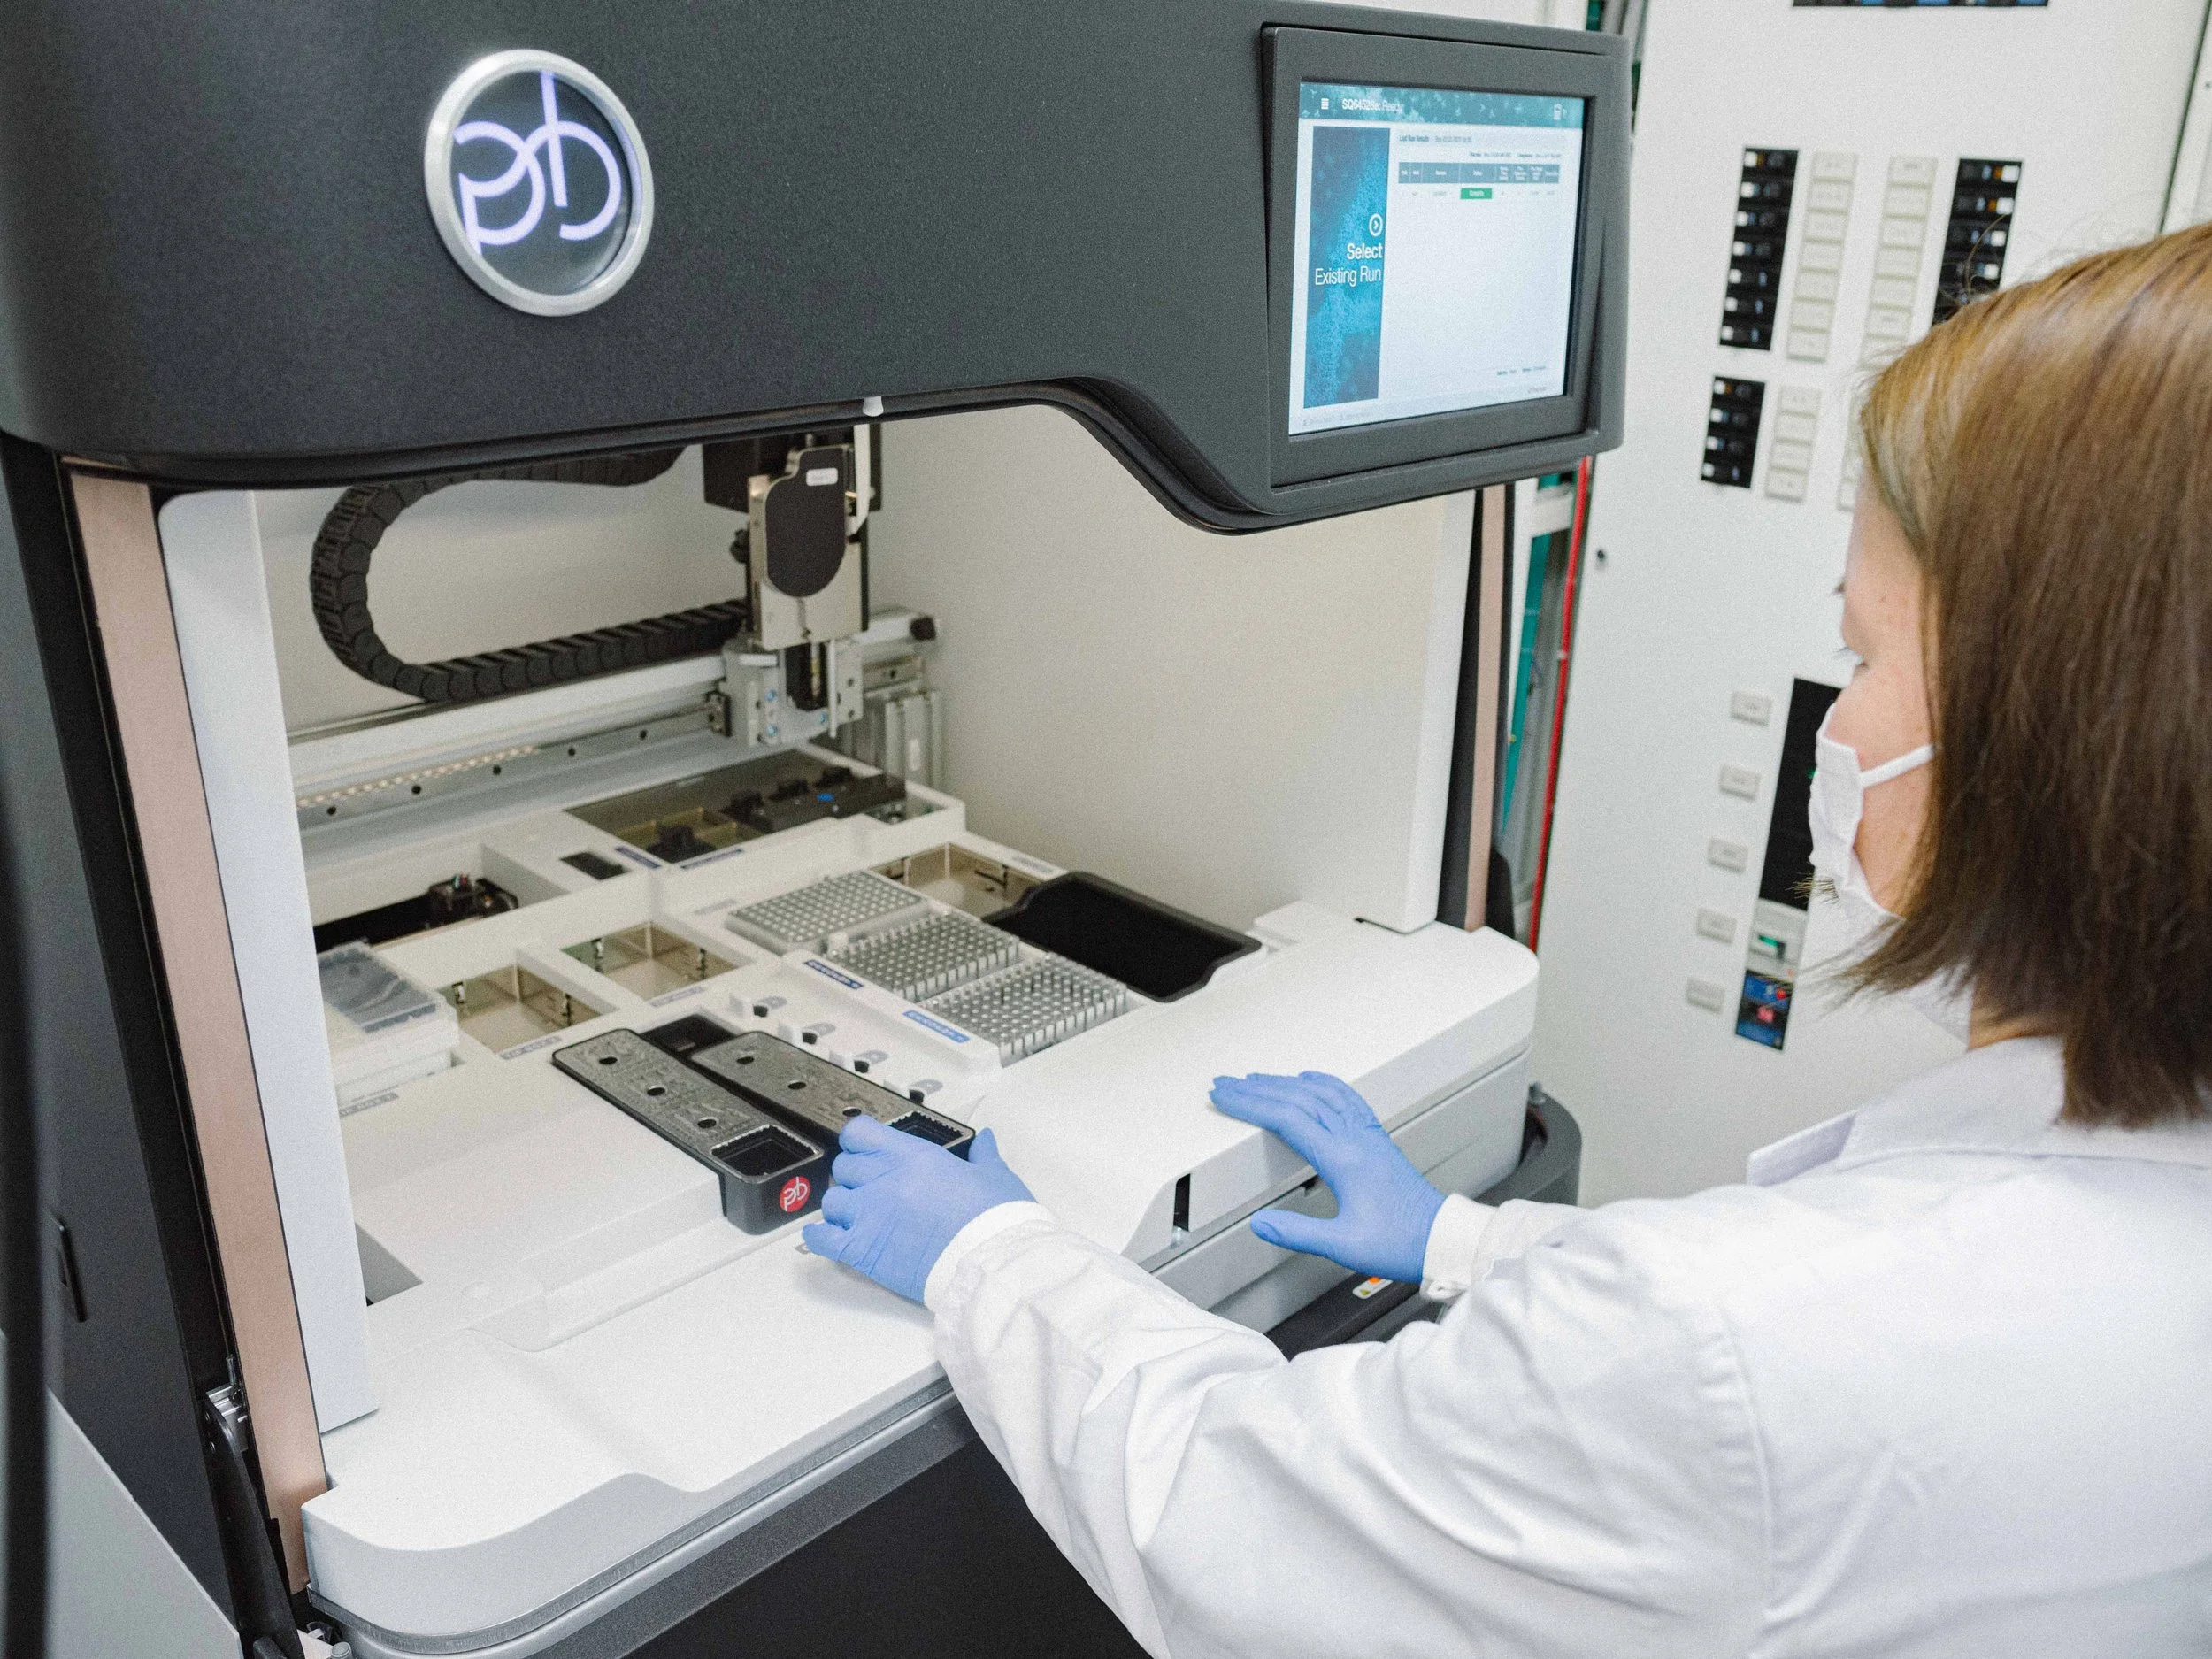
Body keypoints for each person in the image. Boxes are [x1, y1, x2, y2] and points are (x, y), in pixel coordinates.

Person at [803, 227, 2212, 1655]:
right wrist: (1462, 1235)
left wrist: (991, 1258)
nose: (1836, 720)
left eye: (1862, 654)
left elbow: (1240, 1518)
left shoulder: (1760, 1346)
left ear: (2060, 735)